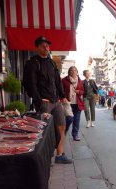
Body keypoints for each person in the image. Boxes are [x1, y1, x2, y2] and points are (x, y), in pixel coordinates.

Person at [23, 36, 72, 164]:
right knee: (44, 130)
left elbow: (57, 81)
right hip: (44, 102)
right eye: (43, 45)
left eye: (47, 45)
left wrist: (62, 96)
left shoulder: (51, 62)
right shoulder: (32, 63)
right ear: (37, 48)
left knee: (62, 126)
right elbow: (29, 84)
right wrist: (39, 99)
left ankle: (60, 155)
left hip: (56, 101)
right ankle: (45, 158)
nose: (46, 47)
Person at [62, 66, 85, 141]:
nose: (73, 72)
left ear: (77, 72)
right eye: (71, 70)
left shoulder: (80, 81)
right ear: (69, 72)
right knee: (69, 119)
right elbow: (61, 90)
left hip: (78, 103)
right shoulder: (64, 80)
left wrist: (79, 92)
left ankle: (75, 135)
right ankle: (64, 132)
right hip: (68, 102)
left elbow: (83, 91)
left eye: (75, 70)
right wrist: (62, 98)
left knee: (76, 120)